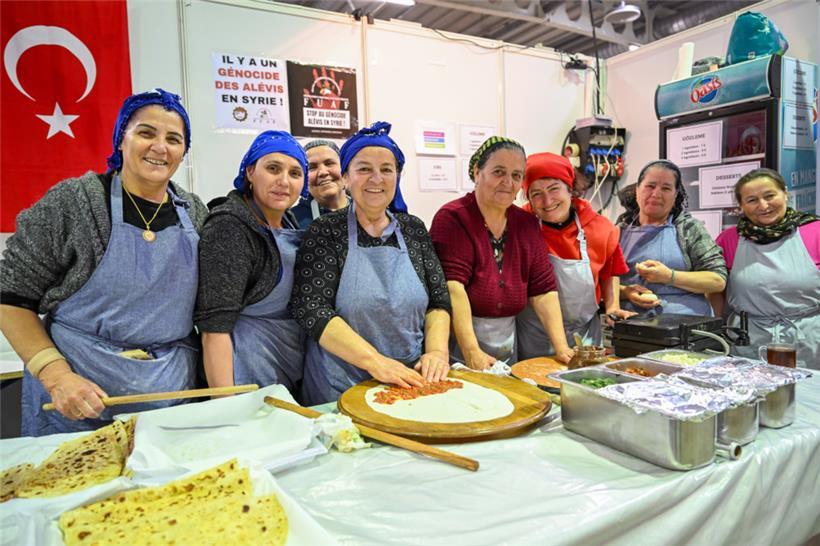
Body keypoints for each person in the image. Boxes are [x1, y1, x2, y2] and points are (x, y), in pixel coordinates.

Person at [0, 89, 208, 436]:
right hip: (77, 401)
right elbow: (11, 298)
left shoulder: (195, 212)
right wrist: (56, 376)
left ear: (183, 152)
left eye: (174, 139)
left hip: (166, 399)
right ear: (120, 139)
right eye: (146, 133)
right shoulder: (75, 203)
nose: (160, 147)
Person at [290, 122, 451, 405]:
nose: (376, 179)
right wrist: (375, 362)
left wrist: (437, 353)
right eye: (364, 169)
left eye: (386, 170)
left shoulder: (413, 229)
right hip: (342, 386)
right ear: (346, 178)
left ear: (396, 177)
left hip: (409, 382)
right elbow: (311, 309)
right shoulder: (326, 231)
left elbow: (438, 301)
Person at [430, 137, 573, 369]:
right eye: (499, 172)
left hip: (508, 341)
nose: (508, 182)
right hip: (460, 344)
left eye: (516, 175)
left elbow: (543, 290)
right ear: (477, 172)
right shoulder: (454, 218)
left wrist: (562, 348)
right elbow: (453, 288)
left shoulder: (526, 224)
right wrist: (471, 351)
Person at [195, 131, 308, 393]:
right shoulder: (229, 227)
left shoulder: (288, 222)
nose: (283, 181)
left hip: (285, 358)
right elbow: (214, 328)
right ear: (249, 172)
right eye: (273, 168)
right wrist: (226, 402)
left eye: (295, 173)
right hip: (243, 364)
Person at [516, 152, 634, 358]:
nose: (547, 200)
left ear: (570, 188)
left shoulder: (600, 228)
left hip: (585, 336)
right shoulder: (518, 226)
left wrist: (613, 306)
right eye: (536, 194)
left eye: (554, 189)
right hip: (534, 335)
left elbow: (609, 271)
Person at [711, 168, 820, 369]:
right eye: (752, 200)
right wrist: (720, 325)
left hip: (809, 341)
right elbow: (715, 289)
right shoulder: (729, 239)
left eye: (770, 196)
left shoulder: (815, 232)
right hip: (748, 342)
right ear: (741, 206)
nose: (763, 205)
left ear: (785, 193)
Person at [617, 160, 727, 316]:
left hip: (685, 328)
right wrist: (626, 292)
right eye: (650, 186)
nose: (656, 194)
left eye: (666, 188)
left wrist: (670, 277)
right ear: (637, 190)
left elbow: (717, 281)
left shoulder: (688, 229)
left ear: (675, 195)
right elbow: (601, 284)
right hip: (632, 327)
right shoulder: (618, 232)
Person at [290, 140, 349, 228]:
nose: (322, 172)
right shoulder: (291, 222)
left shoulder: (368, 211)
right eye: (312, 167)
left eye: (329, 163)